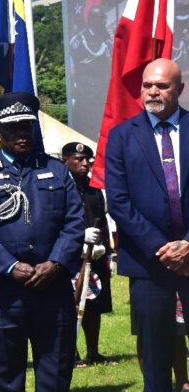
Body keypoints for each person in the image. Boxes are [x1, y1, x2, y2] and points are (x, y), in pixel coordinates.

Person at [0, 92, 84, 391]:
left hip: (52, 289)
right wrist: (10, 266)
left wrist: (55, 263)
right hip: (3, 294)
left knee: (55, 375)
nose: (22, 134)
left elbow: (74, 222)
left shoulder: (57, 170)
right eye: (13, 128)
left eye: (26, 126)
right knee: (7, 378)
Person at [105, 58, 189, 391]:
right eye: (147, 85)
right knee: (155, 354)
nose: (152, 91)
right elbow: (119, 202)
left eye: (162, 85)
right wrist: (162, 248)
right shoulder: (122, 136)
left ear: (179, 89)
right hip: (147, 263)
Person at [61, 142, 114, 367]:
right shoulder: (60, 188)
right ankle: (70, 352)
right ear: (65, 161)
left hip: (96, 253)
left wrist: (108, 251)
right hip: (71, 255)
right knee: (70, 303)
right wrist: (78, 238)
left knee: (95, 304)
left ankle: (93, 350)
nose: (85, 163)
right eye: (78, 159)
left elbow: (103, 220)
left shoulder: (94, 189)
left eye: (88, 160)